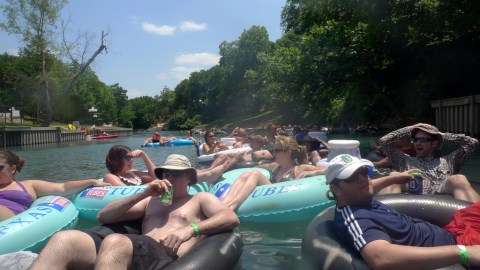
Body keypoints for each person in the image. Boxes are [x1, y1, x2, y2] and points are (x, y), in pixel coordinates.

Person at [30, 154, 240, 270]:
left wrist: (191, 229)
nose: (170, 177)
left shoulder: (200, 199)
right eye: (166, 173)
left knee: (116, 242)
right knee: (64, 239)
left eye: (176, 174)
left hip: (164, 257)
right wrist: (144, 193)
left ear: (189, 178)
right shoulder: (152, 200)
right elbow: (104, 216)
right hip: (135, 252)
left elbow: (230, 217)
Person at [326, 154, 480, 269]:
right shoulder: (356, 219)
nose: (362, 179)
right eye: (351, 177)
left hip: (452, 232)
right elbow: (380, 258)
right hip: (460, 245)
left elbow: (368, 184)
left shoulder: (356, 195)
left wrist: (395, 178)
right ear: (335, 189)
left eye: (364, 171)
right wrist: (462, 252)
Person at [379, 123, 480, 203]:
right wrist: (410, 128)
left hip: (442, 198)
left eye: (423, 139)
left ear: (434, 143)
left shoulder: (450, 160)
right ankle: (381, 217)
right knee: (394, 175)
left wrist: (440, 136)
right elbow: (384, 141)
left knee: (459, 179)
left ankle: (475, 221)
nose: (418, 143)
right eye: (415, 139)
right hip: (410, 197)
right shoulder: (404, 160)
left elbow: (472, 143)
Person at [221, 135, 326, 210]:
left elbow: (327, 170)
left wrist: (312, 173)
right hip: (269, 197)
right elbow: (258, 166)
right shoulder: (275, 167)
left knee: (256, 174)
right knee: (246, 174)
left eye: (277, 150)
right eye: (274, 150)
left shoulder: (300, 169)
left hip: (286, 200)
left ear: (288, 152)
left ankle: (232, 206)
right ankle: (224, 204)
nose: (274, 153)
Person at [0, 150, 109, 222]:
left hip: (9, 219)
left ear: (13, 169)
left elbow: (63, 188)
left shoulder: (28, 185)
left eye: (0, 168)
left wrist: (91, 181)